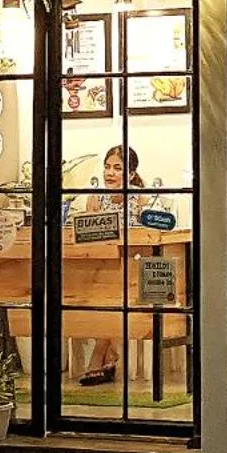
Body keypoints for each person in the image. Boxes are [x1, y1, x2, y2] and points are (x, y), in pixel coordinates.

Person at [76, 145, 141, 385]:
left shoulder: (139, 197)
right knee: (101, 291)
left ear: (131, 175)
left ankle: (99, 355)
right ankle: (111, 354)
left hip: (131, 268)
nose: (109, 173)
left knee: (114, 294)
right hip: (102, 267)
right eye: (107, 167)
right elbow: (86, 235)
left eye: (117, 168)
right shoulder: (95, 197)